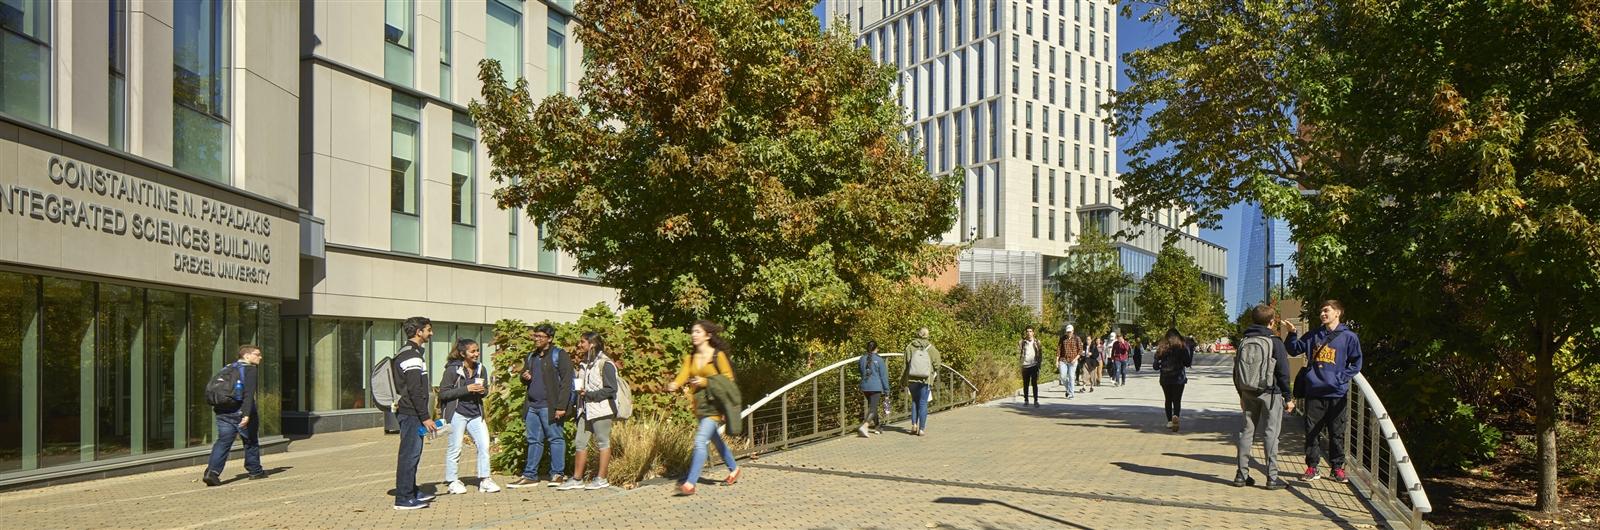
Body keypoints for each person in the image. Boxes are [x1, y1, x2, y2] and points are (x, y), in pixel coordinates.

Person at [1285, 300, 1364, 483]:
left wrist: (1341, 377)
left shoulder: (1349, 337)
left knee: (1337, 432)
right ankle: (1312, 467)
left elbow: (1356, 363)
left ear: (1338, 313)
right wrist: (1292, 334)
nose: (1323, 314)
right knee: (1311, 431)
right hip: (1314, 392)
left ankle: (1337, 469)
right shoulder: (1314, 335)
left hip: (1337, 393)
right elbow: (1294, 349)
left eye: (1326, 311)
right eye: (1321, 311)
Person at [667, 320, 742, 496]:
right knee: (715, 439)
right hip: (699, 406)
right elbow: (682, 376)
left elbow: (728, 380)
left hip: (714, 406)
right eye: (693, 331)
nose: (694, 334)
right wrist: (674, 384)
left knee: (701, 441)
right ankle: (734, 468)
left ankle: (690, 483)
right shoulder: (690, 358)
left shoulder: (718, 356)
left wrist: (706, 381)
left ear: (708, 335)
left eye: (698, 332)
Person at [507, 324, 575, 488]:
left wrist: (561, 406)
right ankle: (530, 475)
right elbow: (524, 378)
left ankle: (557, 474)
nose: (536, 339)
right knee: (533, 440)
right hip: (532, 405)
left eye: (540, 336)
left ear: (550, 339)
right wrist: (524, 377)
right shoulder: (531, 356)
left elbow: (567, 382)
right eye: (535, 336)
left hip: (550, 406)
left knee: (555, 439)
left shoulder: (559, 355)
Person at [1234, 305, 1293, 490]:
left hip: (1248, 392)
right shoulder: (1274, 341)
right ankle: (1272, 478)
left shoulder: (1244, 341)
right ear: (1271, 321)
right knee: (1270, 434)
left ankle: (1241, 476)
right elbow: (1283, 372)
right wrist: (1288, 397)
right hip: (1270, 393)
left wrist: (1241, 394)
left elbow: (1236, 371)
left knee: (1246, 433)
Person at [558, 332, 620, 491]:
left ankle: (602, 478)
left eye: (582, 342)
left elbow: (611, 389)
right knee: (580, 442)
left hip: (601, 409)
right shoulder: (584, 363)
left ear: (592, 344)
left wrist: (590, 395)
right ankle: (577, 479)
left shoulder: (605, 364)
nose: (579, 345)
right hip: (584, 409)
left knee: (603, 442)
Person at [439, 338, 500, 495]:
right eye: (472, 351)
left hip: (475, 414)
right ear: (462, 353)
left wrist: (483, 391)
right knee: (455, 447)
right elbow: (443, 393)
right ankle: (452, 481)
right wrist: (466, 389)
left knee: (484, 445)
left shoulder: (481, 368)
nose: (476, 354)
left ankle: (485, 479)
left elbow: (485, 389)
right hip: (458, 413)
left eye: (477, 350)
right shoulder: (452, 370)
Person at [201, 345, 266, 487]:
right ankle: (255, 471)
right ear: (247, 356)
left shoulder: (229, 367)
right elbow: (248, 395)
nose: (260, 357)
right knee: (250, 441)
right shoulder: (250, 369)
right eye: (257, 354)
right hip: (240, 411)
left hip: (223, 411)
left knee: (223, 442)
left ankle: (212, 472)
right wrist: (247, 415)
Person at [393, 317, 438, 510]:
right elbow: (414, 390)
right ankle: (403, 499)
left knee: (412, 454)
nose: (431, 333)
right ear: (418, 332)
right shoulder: (412, 356)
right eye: (428, 330)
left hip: (411, 413)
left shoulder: (409, 352)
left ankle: (410, 492)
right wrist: (425, 417)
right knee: (409, 455)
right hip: (411, 413)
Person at [903, 327, 941, 436]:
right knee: (923, 402)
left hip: (912, 378)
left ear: (918, 334)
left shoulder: (910, 347)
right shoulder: (931, 349)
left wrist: (903, 380)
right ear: (927, 335)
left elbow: (905, 364)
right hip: (925, 379)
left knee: (915, 401)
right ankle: (921, 429)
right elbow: (937, 364)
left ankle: (914, 425)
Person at [1156, 328, 1191, 432]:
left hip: (1165, 377)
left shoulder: (1162, 347)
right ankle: (1176, 415)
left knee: (1168, 399)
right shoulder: (1182, 346)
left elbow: (1155, 365)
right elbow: (1188, 363)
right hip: (1178, 377)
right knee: (1177, 400)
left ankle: (1169, 421)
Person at [857, 341, 890, 437]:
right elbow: (883, 376)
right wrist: (887, 390)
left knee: (872, 406)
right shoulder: (879, 360)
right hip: (876, 387)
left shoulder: (862, 359)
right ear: (877, 349)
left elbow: (860, 371)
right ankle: (865, 426)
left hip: (865, 386)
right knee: (873, 407)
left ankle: (877, 427)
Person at [1018, 326, 1043, 407]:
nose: (1029, 333)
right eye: (1027, 331)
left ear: (1033, 333)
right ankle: (1026, 400)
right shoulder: (1022, 342)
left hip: (1034, 365)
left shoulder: (1037, 342)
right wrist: (1020, 364)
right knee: (1025, 383)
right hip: (1025, 365)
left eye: (1030, 331)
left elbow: (1040, 354)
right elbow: (1018, 353)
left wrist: (1039, 364)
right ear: (1026, 333)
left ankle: (1036, 400)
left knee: (1034, 383)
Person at [1057, 325, 1082, 398]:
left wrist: (1075, 359)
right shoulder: (1062, 338)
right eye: (1067, 332)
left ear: (1073, 331)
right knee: (1063, 376)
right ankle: (1068, 389)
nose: (1068, 333)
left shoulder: (1077, 338)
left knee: (1071, 376)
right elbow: (1059, 349)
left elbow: (1080, 350)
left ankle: (1071, 393)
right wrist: (1057, 360)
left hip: (1073, 360)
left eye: (1070, 332)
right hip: (1063, 360)